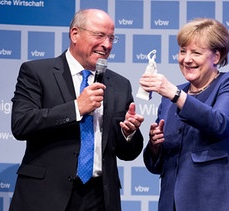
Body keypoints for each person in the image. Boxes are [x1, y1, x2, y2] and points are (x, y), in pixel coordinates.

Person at [9, 9, 144, 211]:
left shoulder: (119, 85)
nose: (107, 45)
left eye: (111, 38)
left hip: (99, 198)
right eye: (99, 35)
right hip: (45, 196)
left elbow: (128, 153)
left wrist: (128, 133)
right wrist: (75, 108)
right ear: (75, 34)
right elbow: (21, 124)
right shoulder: (37, 72)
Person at [139, 18, 229, 211]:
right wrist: (155, 146)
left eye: (196, 52)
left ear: (216, 56)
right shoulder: (169, 98)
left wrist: (174, 93)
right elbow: (157, 165)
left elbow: (220, 123)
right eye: (182, 51)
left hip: (222, 202)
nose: (187, 59)